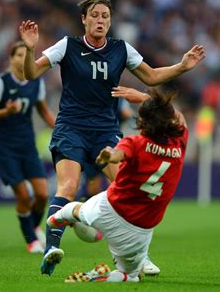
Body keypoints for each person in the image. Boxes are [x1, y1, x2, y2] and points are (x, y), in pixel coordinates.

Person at [19, 0, 205, 275]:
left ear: (110, 21)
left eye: (105, 16)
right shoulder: (67, 46)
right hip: (71, 127)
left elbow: (152, 76)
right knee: (68, 187)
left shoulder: (121, 49)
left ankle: (137, 258)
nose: (100, 20)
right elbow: (30, 75)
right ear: (83, 20)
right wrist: (31, 49)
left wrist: (182, 66)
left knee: (131, 190)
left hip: (105, 130)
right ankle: (51, 248)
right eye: (94, 15)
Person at [48, 89, 188, 282]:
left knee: (73, 210)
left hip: (112, 209)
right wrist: (146, 98)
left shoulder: (136, 142)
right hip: (142, 230)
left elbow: (118, 154)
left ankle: (55, 220)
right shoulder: (180, 142)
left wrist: (109, 155)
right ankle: (101, 275)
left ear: (142, 123)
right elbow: (178, 116)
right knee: (130, 277)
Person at [0, 41, 56, 254]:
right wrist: (4, 112)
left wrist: (61, 127)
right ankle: (31, 239)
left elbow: (44, 111)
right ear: (11, 58)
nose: (21, 59)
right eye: (18, 55)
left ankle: (33, 228)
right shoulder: (1, 81)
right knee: (24, 196)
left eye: (25, 55)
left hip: (27, 144)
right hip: (6, 146)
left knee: (43, 194)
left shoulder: (36, 82)